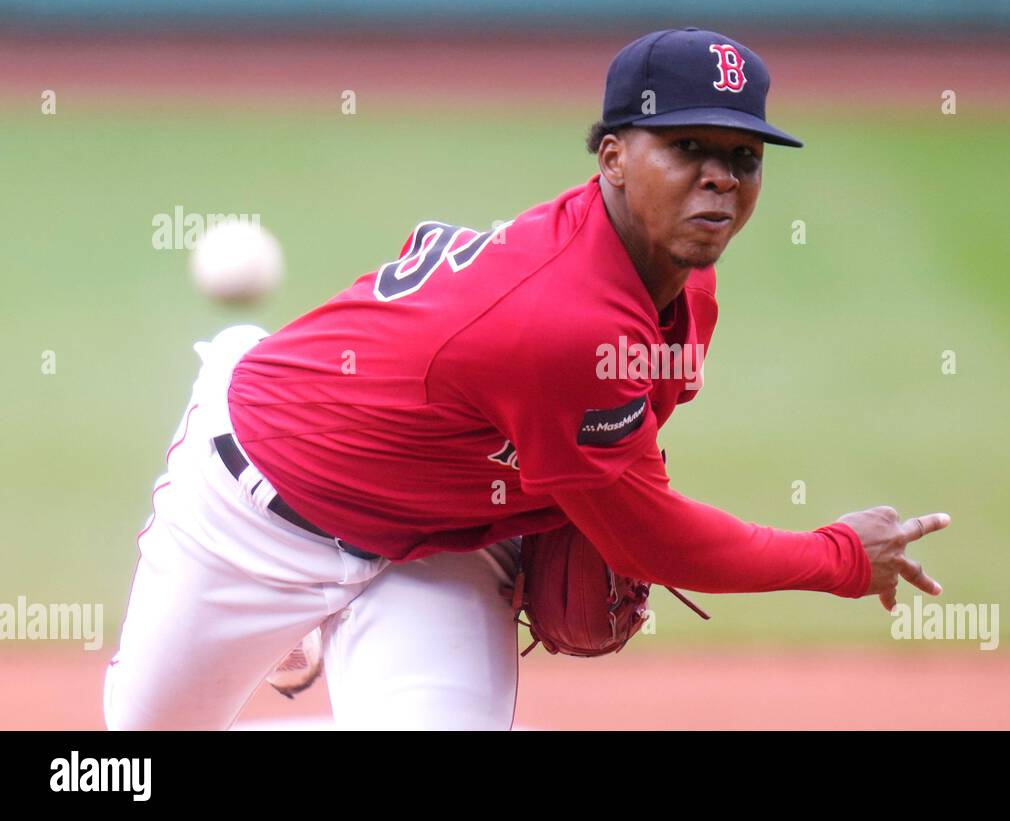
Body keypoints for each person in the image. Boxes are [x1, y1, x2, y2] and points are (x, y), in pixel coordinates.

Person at [104, 27, 950, 731]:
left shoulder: (687, 281)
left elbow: (622, 478)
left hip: (436, 538)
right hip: (256, 504)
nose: (721, 176)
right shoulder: (567, 318)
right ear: (613, 157)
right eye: (687, 147)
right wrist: (837, 557)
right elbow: (645, 538)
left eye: (743, 155)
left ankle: (349, 631)